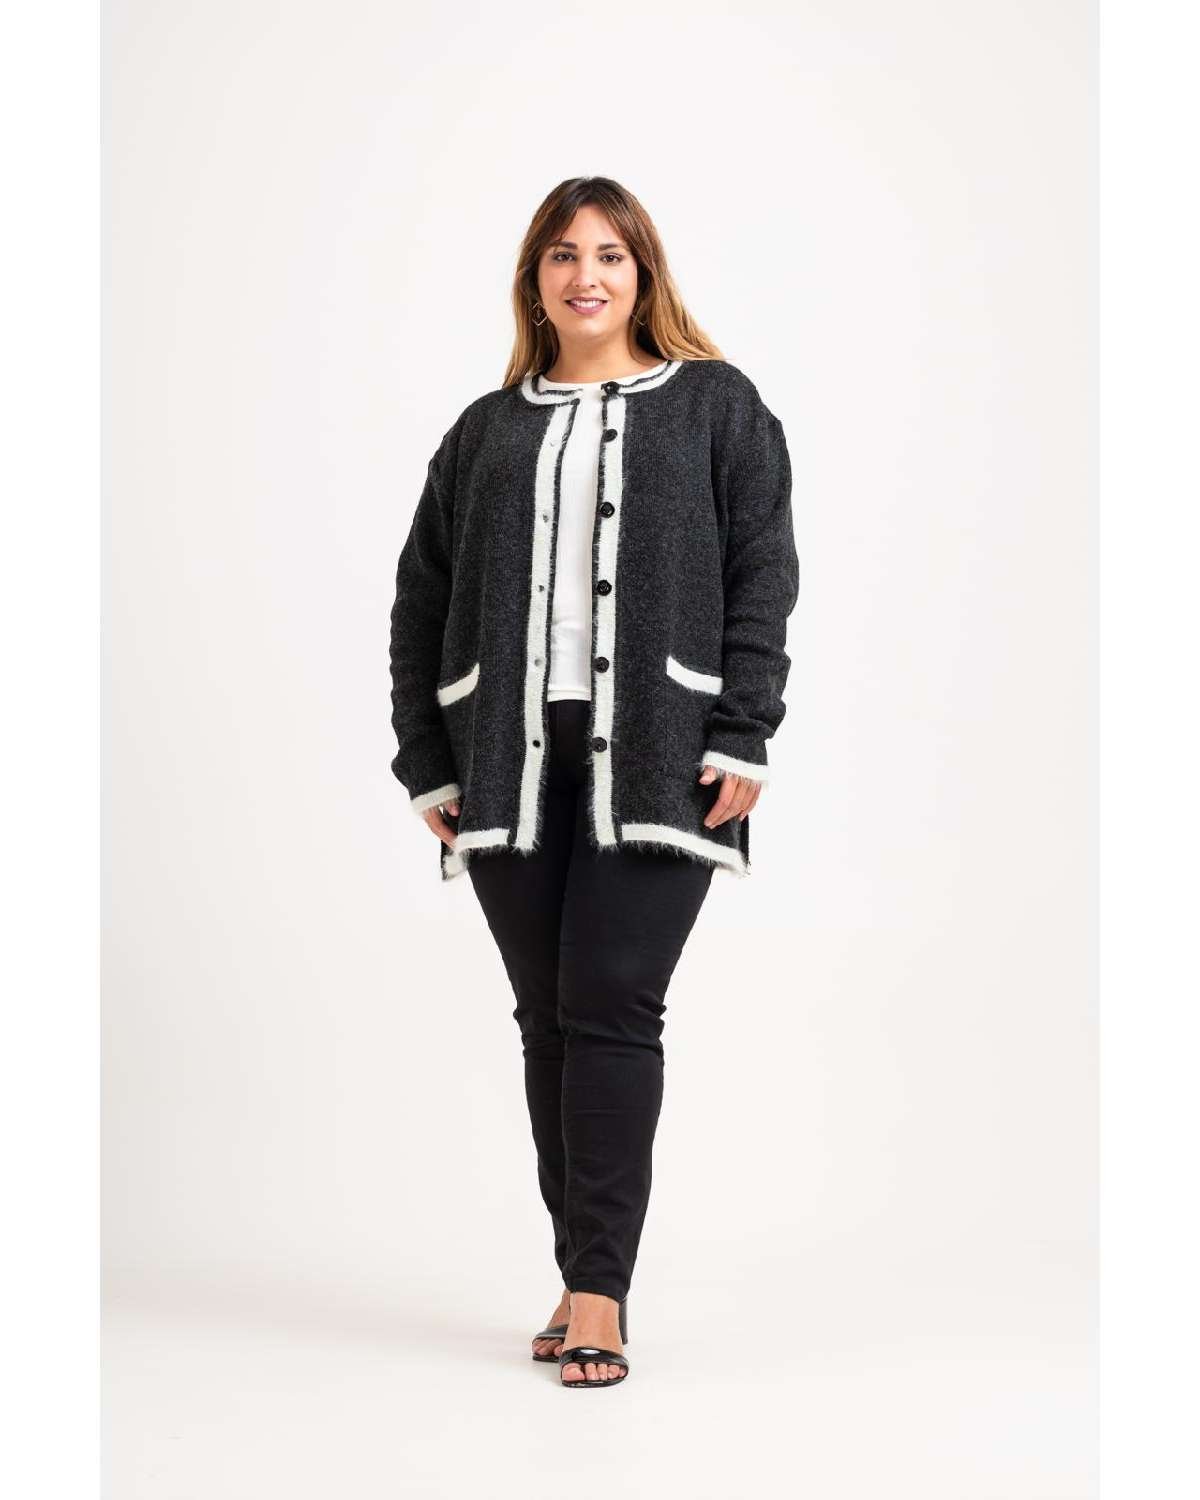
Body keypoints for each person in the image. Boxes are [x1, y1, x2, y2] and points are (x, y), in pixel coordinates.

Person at [388, 177, 799, 1388]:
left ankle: (600, 1295)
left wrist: (744, 730)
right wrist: (425, 759)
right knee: (549, 1019)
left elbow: (763, 571)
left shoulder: (718, 406)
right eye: (564, 255)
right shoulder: (485, 430)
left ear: (644, 273)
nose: (587, 276)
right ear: (536, 280)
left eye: (611, 255)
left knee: (613, 1001)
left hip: (663, 756)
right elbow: (418, 602)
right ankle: (582, 1277)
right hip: (502, 761)